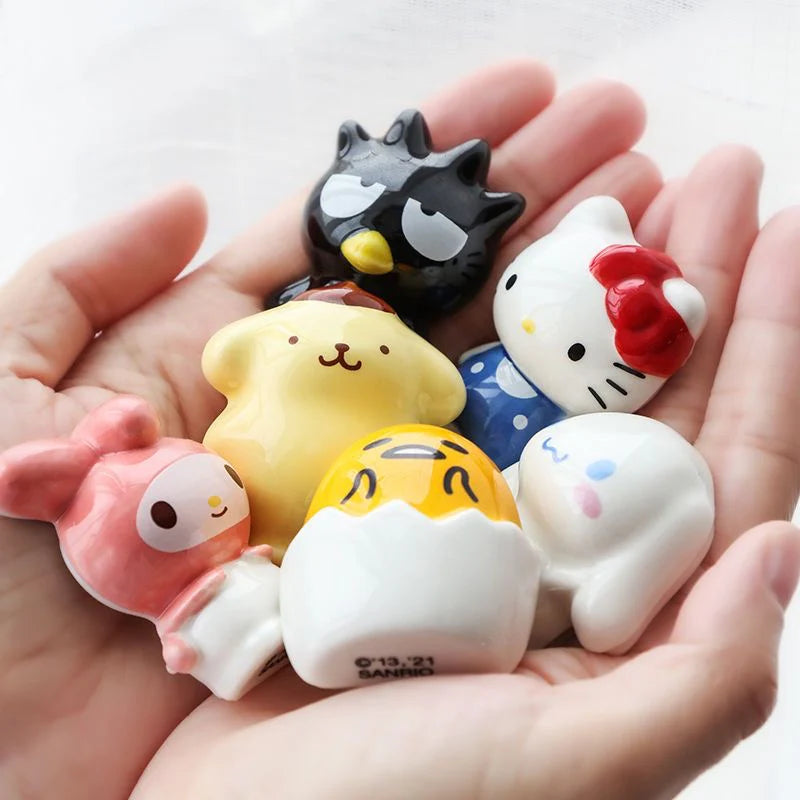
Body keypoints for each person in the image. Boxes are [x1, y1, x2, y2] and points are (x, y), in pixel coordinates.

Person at [0, 61, 798, 800]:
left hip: (443, 528)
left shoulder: (461, 396)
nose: (371, 246)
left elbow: (442, 399)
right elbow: (233, 358)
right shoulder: (291, 345)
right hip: (315, 548)